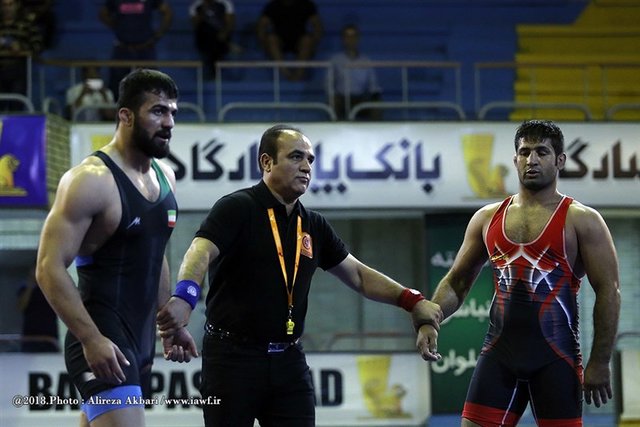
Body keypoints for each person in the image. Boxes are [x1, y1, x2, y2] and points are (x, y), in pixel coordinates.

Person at [156, 124, 443, 426]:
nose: (306, 166)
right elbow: (199, 251)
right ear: (267, 162)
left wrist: (411, 300)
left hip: (288, 361)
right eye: (296, 157)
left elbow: (359, 275)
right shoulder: (237, 208)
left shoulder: (313, 225)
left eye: (310, 159)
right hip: (232, 359)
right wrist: (184, 297)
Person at [422, 120, 621, 426]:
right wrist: (430, 319)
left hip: (557, 358)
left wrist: (600, 360)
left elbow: (609, 290)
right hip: (499, 355)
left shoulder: (583, 220)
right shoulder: (487, 218)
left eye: (542, 152)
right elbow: (457, 282)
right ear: (514, 160)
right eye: (525, 152)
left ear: (560, 160)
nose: (532, 160)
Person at [36, 69, 197, 427]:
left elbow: (154, 252)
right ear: (125, 116)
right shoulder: (90, 180)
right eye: (158, 111)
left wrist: (168, 323)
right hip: (101, 337)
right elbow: (48, 267)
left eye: (173, 112)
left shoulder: (166, 176)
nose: (169, 122)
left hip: (139, 343)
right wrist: (90, 338)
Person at [99, 0, 173, 97]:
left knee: (151, 86)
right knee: (116, 87)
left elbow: (167, 12)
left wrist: (158, 35)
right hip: (123, 47)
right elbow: (103, 13)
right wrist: (117, 26)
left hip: (145, 48)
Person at [256, 0, 323, 81]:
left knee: (307, 40)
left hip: (299, 40)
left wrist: (314, 42)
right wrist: (263, 43)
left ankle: (298, 74)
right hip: (280, 40)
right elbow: (262, 25)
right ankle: (284, 71)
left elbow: (317, 25)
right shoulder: (272, 6)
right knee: (271, 39)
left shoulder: (307, 5)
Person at [328, 24, 382, 121]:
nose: (351, 39)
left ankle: (377, 129)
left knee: (376, 105)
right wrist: (333, 96)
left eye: (353, 36)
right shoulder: (335, 60)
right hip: (341, 98)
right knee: (333, 103)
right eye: (347, 36)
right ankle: (335, 128)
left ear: (358, 38)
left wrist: (375, 96)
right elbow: (328, 83)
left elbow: (373, 85)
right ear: (343, 39)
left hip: (360, 98)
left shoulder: (366, 60)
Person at [0, 0, 43, 111]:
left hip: (18, 71)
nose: (7, 8)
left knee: (16, 108)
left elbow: (37, 45)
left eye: (10, 4)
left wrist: (21, 47)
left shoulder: (27, 25)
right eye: (4, 5)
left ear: (17, 6)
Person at [16, 263, 59, 353]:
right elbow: (21, 307)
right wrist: (30, 284)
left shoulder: (51, 287)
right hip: (30, 335)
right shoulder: (25, 288)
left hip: (50, 334)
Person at [189, 0, 235, 80]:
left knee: (214, 42)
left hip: (221, 37)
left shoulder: (225, 3)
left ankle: (213, 70)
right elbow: (195, 24)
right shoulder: (196, 5)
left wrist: (223, 33)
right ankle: (229, 46)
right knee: (206, 30)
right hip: (204, 39)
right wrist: (203, 10)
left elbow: (230, 23)